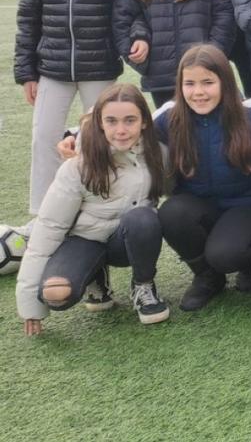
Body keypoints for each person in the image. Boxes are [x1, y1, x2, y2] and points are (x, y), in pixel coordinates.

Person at [17, 84, 169, 334]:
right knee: (56, 294)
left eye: (130, 120)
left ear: (144, 121)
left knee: (143, 218)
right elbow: (49, 228)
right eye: (111, 121)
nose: (121, 130)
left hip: (126, 239)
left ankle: (143, 286)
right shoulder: (77, 164)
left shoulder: (157, 153)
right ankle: (94, 276)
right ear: (99, 123)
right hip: (84, 239)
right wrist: (30, 306)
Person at [14, 0, 125, 223]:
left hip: (99, 68)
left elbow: (121, 17)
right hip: (52, 69)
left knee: (103, 139)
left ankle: (105, 205)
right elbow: (27, 23)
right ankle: (43, 213)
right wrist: (27, 73)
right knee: (44, 137)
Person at [155, 45, 251, 311]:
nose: (199, 92)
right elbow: (123, 126)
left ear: (225, 82)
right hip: (196, 204)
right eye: (190, 83)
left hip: (248, 204)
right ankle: (207, 278)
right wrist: (73, 138)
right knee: (171, 213)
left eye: (208, 82)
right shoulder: (169, 116)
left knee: (225, 254)